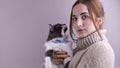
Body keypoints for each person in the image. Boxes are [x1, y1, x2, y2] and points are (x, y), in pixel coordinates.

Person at [52, 0, 115, 68]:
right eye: (74, 18)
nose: (78, 24)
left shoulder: (101, 50)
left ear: (99, 21)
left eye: (84, 17)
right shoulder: (79, 50)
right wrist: (59, 64)